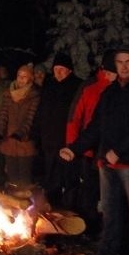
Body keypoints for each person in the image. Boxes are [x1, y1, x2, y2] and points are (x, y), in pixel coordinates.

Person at [59, 45, 129, 255]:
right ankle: (108, 253)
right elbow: (95, 127)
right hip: (107, 161)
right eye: (120, 62)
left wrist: (119, 151)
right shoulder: (110, 92)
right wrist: (74, 148)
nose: (123, 67)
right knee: (111, 211)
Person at [64, 50, 117, 236]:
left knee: (111, 193)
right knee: (89, 189)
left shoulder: (121, 87)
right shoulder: (90, 86)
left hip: (114, 150)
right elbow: (75, 117)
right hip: (88, 148)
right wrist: (73, 147)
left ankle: (110, 230)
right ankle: (89, 226)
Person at [37, 53, 83, 207]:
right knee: (50, 176)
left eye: (62, 69)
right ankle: (51, 207)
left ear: (69, 70)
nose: (59, 72)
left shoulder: (77, 86)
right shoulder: (49, 85)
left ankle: (68, 210)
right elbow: (41, 110)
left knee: (68, 177)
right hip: (49, 140)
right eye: (56, 69)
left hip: (67, 142)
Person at [0, 63, 41, 191]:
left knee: (24, 178)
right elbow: (3, 114)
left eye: (24, 77)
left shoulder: (34, 96)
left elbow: (31, 117)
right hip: (9, 142)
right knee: (12, 178)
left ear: (30, 79)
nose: (21, 79)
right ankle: (14, 204)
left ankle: (27, 205)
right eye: (19, 76)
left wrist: (22, 133)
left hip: (25, 143)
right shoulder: (9, 93)